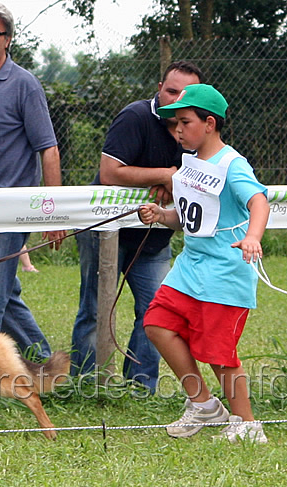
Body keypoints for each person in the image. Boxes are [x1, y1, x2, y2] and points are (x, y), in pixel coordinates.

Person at [140, 83, 270, 443]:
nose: (177, 130)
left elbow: (259, 202)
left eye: (184, 122)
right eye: (175, 124)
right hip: (190, 267)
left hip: (226, 271)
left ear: (209, 123)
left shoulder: (232, 163)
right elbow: (191, 217)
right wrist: (163, 215)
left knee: (219, 354)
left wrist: (253, 237)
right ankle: (203, 403)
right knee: (156, 324)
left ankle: (246, 427)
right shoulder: (191, 163)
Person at [70, 61, 204, 390]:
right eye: (171, 91)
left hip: (155, 237)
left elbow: (201, 177)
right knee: (95, 309)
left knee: (157, 312)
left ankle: (141, 388)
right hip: (106, 231)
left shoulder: (199, 129)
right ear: (159, 88)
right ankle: (86, 385)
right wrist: (163, 175)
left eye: (184, 95)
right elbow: (110, 172)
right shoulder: (136, 117)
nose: (176, 99)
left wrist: (178, 180)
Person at [0, 1, 66, 359]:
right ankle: (48, 364)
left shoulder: (24, 85)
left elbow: (48, 149)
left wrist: (54, 212)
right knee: (6, 296)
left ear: (7, 39)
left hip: (12, 211)